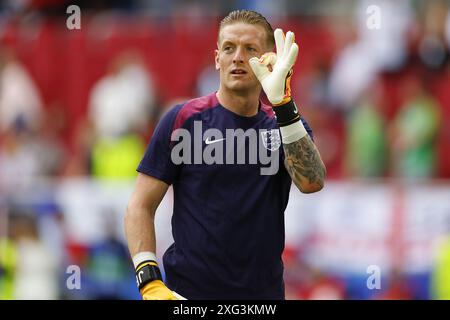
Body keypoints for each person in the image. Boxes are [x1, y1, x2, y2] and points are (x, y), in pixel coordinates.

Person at [124, 10, 326, 300]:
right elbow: (139, 205)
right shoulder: (183, 120)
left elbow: (312, 182)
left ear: (268, 60)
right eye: (229, 48)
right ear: (217, 58)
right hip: (187, 297)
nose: (238, 57)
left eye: (250, 49)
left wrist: (283, 103)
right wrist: (149, 279)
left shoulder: (283, 123)